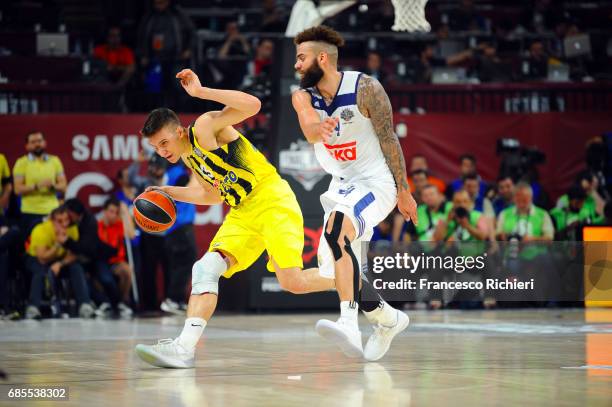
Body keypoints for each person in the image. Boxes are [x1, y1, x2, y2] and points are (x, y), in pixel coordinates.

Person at [134, 69, 339, 368]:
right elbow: (212, 195)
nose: (161, 151)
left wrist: (202, 93)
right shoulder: (190, 158)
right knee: (205, 269)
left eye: (164, 143)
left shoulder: (205, 127)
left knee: (292, 282)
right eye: (155, 148)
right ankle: (183, 349)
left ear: (178, 131)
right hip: (242, 212)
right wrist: (168, 191)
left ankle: (347, 278)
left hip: (271, 200)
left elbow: (253, 105)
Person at [291, 26, 417, 360]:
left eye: (301, 58)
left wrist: (403, 190)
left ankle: (349, 323)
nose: (297, 66)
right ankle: (387, 319)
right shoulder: (302, 95)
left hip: (376, 182)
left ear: (322, 58)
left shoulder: (366, 89)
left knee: (336, 230)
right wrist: (320, 128)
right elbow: (308, 125)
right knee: (339, 260)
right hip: (343, 183)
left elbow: (389, 138)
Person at [24, 206, 94, 319]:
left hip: (59, 260)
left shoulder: (72, 229)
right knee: (40, 270)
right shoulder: (41, 230)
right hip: (35, 258)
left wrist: (60, 264)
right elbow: (42, 258)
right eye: (60, 221)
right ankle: (33, 307)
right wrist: (58, 244)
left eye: (66, 220)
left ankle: (85, 304)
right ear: (52, 221)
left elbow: (74, 254)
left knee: (76, 267)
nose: (64, 224)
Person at [13, 131, 67, 236]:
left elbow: (64, 186)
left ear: (45, 143)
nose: (37, 144)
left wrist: (52, 186)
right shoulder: (21, 163)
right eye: (33, 142)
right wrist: (37, 186)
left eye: (39, 141)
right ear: (27, 146)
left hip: (52, 211)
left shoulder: (55, 161)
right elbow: (17, 189)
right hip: (30, 212)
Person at [97, 197, 135, 318]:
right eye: (111, 211)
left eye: (116, 212)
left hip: (117, 262)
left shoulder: (119, 224)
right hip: (101, 262)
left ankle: (122, 302)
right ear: (104, 211)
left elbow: (131, 235)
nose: (113, 215)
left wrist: (125, 214)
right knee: (97, 274)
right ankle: (105, 302)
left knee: (127, 270)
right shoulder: (98, 226)